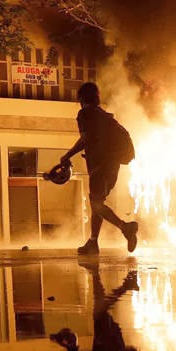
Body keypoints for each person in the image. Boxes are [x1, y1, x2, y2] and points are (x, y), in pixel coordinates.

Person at [60, 81, 138, 255]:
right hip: (112, 167)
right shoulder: (103, 116)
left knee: (96, 203)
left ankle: (125, 228)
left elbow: (85, 139)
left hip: (100, 167)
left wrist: (67, 155)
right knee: (98, 203)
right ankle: (93, 242)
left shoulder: (85, 114)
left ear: (81, 98)